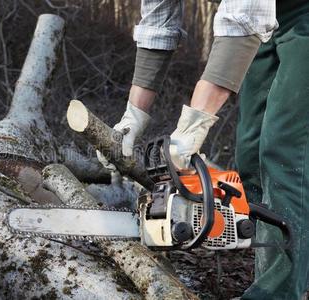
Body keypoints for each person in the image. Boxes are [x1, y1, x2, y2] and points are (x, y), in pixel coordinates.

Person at [98, 1, 309, 299]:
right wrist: (134, 116)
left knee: (285, 152)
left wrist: (192, 128)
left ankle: (279, 293)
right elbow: (158, 26)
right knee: (249, 154)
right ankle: (273, 275)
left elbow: (243, 18)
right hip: (270, 17)